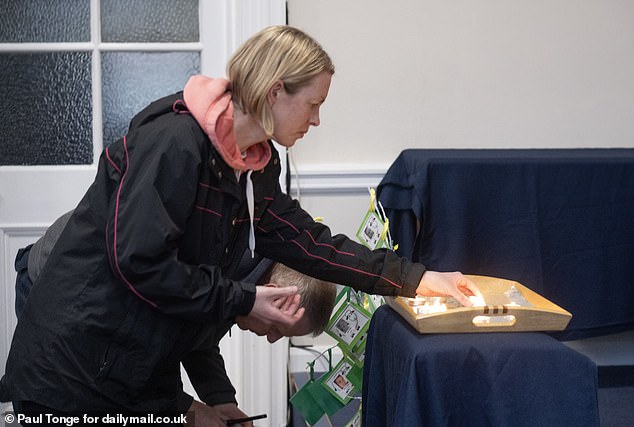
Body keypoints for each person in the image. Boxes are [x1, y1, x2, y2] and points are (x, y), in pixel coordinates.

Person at [1, 25, 482, 424]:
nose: (317, 120)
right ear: (276, 91)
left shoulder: (254, 165)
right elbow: (140, 262)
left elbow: (312, 244)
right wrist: (245, 298)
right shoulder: (174, 143)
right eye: (313, 104)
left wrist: (415, 279)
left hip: (130, 374)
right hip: (70, 377)